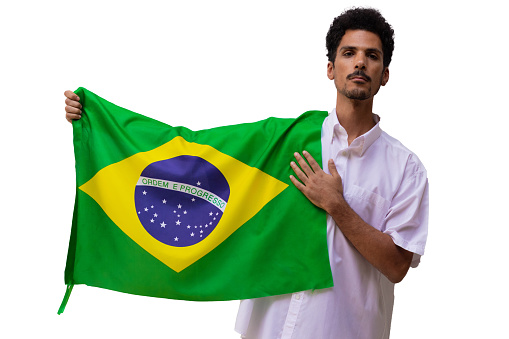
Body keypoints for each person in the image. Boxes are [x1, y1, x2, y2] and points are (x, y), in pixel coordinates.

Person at [64, 7, 428, 339]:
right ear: (331, 69)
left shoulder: (405, 168)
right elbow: (192, 153)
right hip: (269, 329)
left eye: (372, 56)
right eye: (349, 53)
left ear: (385, 75)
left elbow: (397, 265)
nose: (360, 63)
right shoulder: (282, 142)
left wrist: (337, 205)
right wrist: (95, 122)